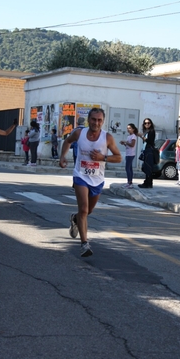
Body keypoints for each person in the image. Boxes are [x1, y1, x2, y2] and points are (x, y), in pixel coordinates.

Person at [59, 107, 122, 257]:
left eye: (99, 120)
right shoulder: (79, 134)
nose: (96, 123)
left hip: (97, 179)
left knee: (88, 211)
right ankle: (84, 244)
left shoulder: (107, 138)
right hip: (80, 175)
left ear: (103, 121)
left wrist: (103, 158)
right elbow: (67, 141)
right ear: (89, 120)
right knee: (84, 209)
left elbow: (118, 157)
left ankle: (75, 218)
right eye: (93, 119)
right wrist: (62, 157)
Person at [138, 118, 155, 189]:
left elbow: (150, 141)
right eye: (145, 123)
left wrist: (142, 136)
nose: (147, 124)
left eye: (148, 123)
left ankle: (148, 183)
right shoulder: (146, 131)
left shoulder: (151, 131)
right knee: (145, 167)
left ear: (151, 124)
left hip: (149, 151)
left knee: (148, 167)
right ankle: (147, 182)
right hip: (145, 150)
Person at [120, 123, 138, 188]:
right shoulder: (128, 136)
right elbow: (128, 145)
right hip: (128, 153)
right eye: (127, 128)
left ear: (133, 129)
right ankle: (130, 182)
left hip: (131, 154)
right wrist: (124, 143)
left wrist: (126, 142)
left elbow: (132, 145)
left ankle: (129, 182)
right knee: (130, 168)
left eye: (130, 128)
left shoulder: (133, 136)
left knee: (127, 168)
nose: (128, 129)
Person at [70, 116, 86, 189]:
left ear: (77, 123)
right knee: (84, 168)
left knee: (76, 168)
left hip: (76, 152)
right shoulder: (87, 130)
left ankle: (75, 185)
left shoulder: (74, 131)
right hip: (85, 153)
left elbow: (71, 141)